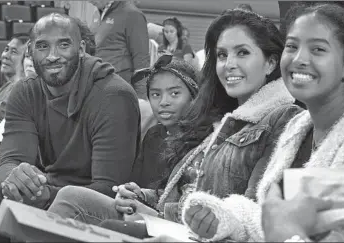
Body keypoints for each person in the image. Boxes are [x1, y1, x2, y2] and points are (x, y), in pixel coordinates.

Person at [45, 8, 300, 237]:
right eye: (222, 55)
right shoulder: (221, 121)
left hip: (198, 231)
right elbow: (189, 187)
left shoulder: (282, 117)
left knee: (99, 221)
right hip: (167, 218)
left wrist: (158, 213)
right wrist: (142, 196)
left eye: (242, 53)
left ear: (270, 62)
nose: (229, 64)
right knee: (70, 197)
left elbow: (246, 211)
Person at [182, 3, 344, 242]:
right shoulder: (298, 129)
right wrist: (227, 217)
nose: (299, 59)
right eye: (292, 46)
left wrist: (282, 233)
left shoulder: (285, 119)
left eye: (318, 49)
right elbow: (269, 217)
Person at [0, 13, 140, 242]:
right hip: (47, 186)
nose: (52, 56)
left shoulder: (114, 96)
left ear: (81, 48)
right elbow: (10, 160)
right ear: (30, 51)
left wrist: (48, 195)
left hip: (93, 203)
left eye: (64, 45)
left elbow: (110, 188)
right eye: (42, 46)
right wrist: (15, 181)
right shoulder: (25, 91)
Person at [130, 55, 201, 188]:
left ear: (193, 97)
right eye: (156, 95)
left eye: (174, 93)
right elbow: (138, 184)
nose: (163, 102)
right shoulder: (153, 136)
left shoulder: (202, 141)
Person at [88, 0, 150, 99]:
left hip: (118, 90)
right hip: (96, 87)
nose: (89, 1)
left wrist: (142, 98)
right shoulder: (97, 13)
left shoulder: (133, 14)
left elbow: (141, 61)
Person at [0, 33, 29, 135]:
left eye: (14, 52)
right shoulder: (7, 86)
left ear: (26, 58)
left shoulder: (23, 92)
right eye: (6, 49)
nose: (5, 55)